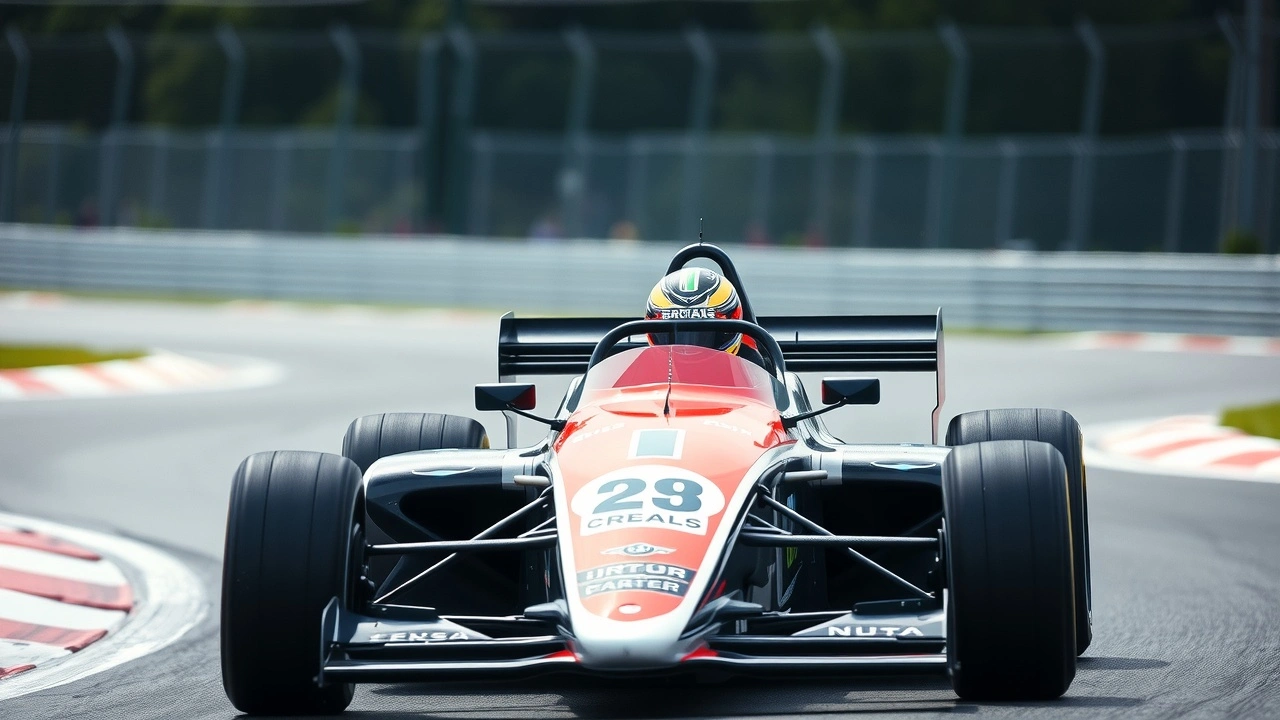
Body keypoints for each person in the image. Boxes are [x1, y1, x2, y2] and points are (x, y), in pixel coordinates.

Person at [644, 268, 767, 369]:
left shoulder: (751, 371)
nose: (687, 351)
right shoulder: (642, 370)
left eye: (702, 336)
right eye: (676, 336)